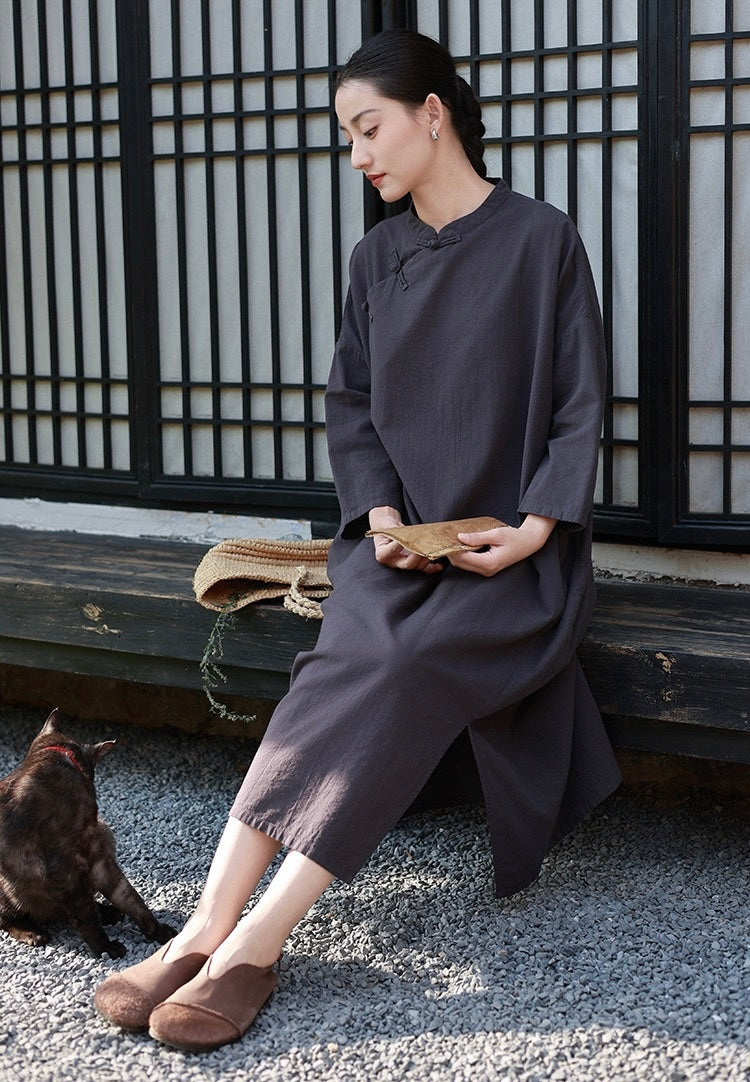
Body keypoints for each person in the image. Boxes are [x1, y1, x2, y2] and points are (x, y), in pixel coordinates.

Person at [94, 28, 621, 1052]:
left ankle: (258, 945)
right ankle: (202, 930)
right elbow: (352, 409)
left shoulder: (542, 240)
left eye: (367, 128)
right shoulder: (376, 257)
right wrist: (380, 519)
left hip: (515, 562)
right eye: (347, 135)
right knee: (346, 658)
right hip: (397, 549)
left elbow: (577, 407)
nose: (357, 155)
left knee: (409, 661)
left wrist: (529, 534)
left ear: (433, 114)